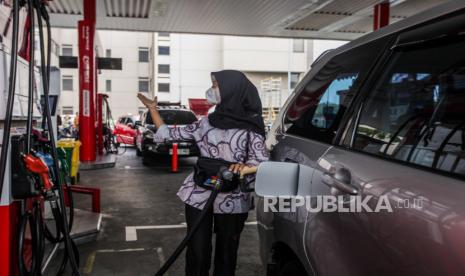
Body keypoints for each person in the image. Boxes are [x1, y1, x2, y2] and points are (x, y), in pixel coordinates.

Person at [137, 70, 269, 276]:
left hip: (233, 197)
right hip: (198, 192)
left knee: (227, 254)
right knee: (197, 251)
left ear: (231, 91)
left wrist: (245, 167)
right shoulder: (206, 122)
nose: (212, 89)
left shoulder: (251, 127)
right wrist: (154, 110)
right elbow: (168, 134)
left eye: (216, 85)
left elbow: (262, 161)